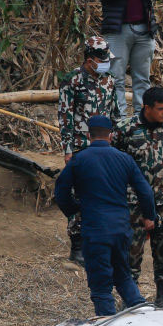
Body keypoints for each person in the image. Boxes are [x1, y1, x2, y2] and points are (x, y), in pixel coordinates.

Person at [55, 115, 157, 317]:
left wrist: (74, 209)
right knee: (124, 277)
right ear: (110, 135)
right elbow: (145, 191)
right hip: (121, 229)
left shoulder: (78, 160)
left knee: (101, 287)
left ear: (88, 136)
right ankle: (144, 316)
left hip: (95, 231)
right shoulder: (124, 159)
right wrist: (149, 216)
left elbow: (61, 192)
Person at [113, 86, 163, 308]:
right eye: (161, 109)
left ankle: (162, 297)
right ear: (146, 108)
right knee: (132, 252)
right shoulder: (125, 129)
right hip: (133, 202)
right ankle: (130, 300)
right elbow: (115, 162)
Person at [58, 36, 121, 265]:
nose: (105, 64)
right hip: (80, 146)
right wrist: (67, 149)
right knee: (79, 195)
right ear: (89, 59)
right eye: (102, 60)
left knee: (104, 193)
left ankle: (100, 241)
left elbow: (115, 114)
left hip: (104, 146)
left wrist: (118, 142)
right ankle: (77, 246)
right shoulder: (72, 81)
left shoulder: (109, 81)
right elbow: (65, 117)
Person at [89, 0, 163, 113]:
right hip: (116, 31)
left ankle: (141, 119)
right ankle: (119, 120)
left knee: (143, 79)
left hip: (144, 29)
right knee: (115, 78)